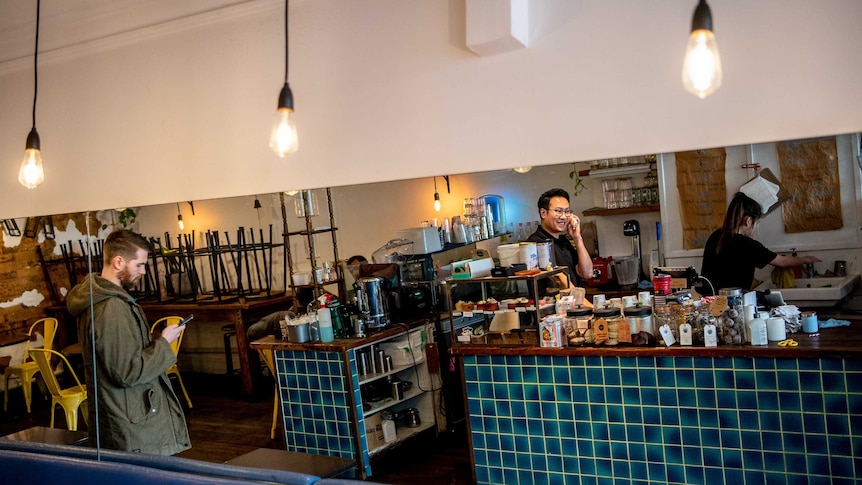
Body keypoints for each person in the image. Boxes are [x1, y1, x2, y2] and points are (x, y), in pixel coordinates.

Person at [67, 229, 191, 455]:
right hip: (132, 424)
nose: (143, 271)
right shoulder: (111, 308)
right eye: (139, 265)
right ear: (118, 262)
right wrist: (164, 343)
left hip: (128, 414)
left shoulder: (105, 301)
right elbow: (126, 372)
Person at [700, 192, 821, 295]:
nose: (755, 228)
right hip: (734, 303)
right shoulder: (748, 245)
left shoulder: (715, 236)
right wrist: (805, 259)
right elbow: (782, 262)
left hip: (708, 302)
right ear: (748, 221)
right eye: (756, 223)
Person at [526, 188, 593, 287]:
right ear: (543, 213)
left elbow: (587, 273)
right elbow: (558, 281)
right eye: (558, 211)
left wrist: (577, 238)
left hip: (572, 300)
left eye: (567, 211)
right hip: (552, 301)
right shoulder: (535, 243)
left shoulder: (563, 241)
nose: (563, 217)